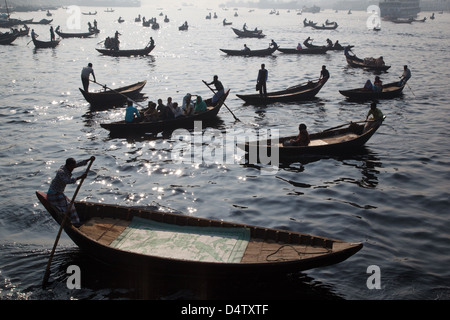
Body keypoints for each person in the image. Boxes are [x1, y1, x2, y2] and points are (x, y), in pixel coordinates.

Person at [47, 156, 95, 226]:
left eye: (73, 167)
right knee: (70, 207)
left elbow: (79, 163)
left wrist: (89, 159)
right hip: (54, 194)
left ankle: (73, 219)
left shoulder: (68, 167)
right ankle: (76, 223)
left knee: (70, 205)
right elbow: (67, 181)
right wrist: (80, 177)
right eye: (72, 167)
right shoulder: (61, 172)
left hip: (59, 193)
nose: (73, 169)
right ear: (68, 165)